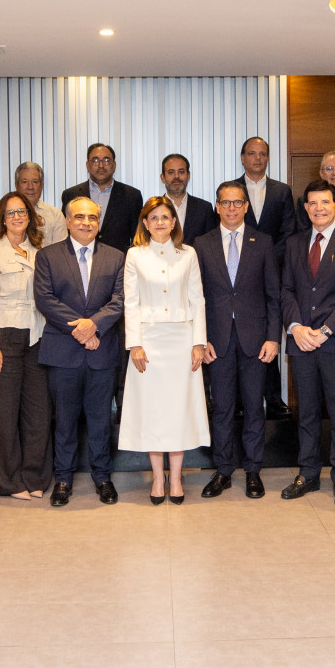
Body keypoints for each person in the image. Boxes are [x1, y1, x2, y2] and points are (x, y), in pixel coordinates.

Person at [33, 197, 127, 506]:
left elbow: (120, 299)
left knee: (101, 420)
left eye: (92, 218)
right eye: (79, 217)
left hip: (102, 350)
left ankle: (102, 477)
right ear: (68, 221)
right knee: (65, 421)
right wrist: (80, 329)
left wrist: (94, 326)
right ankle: (63, 479)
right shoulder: (48, 256)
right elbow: (45, 298)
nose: (86, 223)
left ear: (98, 223)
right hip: (63, 351)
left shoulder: (116, 257)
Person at [281, 179, 335, 508]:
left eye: (325, 202)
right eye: (313, 203)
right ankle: (308, 473)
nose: (319, 208)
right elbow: (286, 290)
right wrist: (296, 328)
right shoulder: (294, 243)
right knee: (306, 412)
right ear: (305, 208)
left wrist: (326, 330)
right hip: (301, 341)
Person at [118, 197, 210, 503]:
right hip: (149, 342)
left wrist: (198, 342)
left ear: (174, 222)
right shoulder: (135, 255)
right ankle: (158, 478)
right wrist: (135, 344)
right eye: (154, 217)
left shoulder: (188, 254)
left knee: (178, 410)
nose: (160, 222)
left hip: (182, 340)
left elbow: (197, 299)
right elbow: (131, 302)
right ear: (145, 223)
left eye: (165, 217)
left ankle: (177, 477)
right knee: (154, 411)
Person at [194, 182, 280, 499]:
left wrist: (273, 338)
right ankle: (223, 470)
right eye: (225, 203)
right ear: (217, 206)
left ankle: (253, 470)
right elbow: (196, 297)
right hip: (216, 341)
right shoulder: (200, 244)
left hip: (256, 340)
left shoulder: (263, 242)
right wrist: (200, 339)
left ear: (246, 206)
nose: (231, 208)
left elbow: (273, 295)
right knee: (222, 408)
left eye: (237, 202)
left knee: (255, 407)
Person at [0, 192, 52, 499]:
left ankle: (34, 477)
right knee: (4, 414)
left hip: (37, 337)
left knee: (38, 413)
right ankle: (8, 481)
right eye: (11, 212)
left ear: (30, 217)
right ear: (2, 219)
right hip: (4, 337)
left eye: (22, 211)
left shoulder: (40, 252)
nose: (17, 216)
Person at [226, 135, 294, 417]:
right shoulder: (231, 190)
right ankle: (240, 402)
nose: (257, 158)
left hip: (271, 271)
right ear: (243, 158)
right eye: (252, 153)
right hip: (236, 276)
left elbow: (288, 231)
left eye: (262, 153)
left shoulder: (282, 191)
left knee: (269, 333)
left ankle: (274, 399)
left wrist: (267, 260)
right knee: (238, 338)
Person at [62, 143, 143, 250]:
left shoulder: (131, 196)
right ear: (88, 165)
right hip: (79, 256)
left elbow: (138, 237)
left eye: (106, 160)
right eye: (95, 160)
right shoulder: (71, 195)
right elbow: (66, 232)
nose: (101, 165)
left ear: (114, 165)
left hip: (118, 258)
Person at [160, 153, 218, 240]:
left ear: (188, 176)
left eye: (181, 172)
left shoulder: (204, 209)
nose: (176, 176)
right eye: (171, 172)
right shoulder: (152, 209)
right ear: (163, 177)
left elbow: (211, 242)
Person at [14, 161, 69, 248]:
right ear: (16, 185)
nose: (30, 187)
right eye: (24, 182)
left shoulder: (56, 216)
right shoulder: (6, 215)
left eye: (35, 182)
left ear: (41, 185)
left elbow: (61, 252)